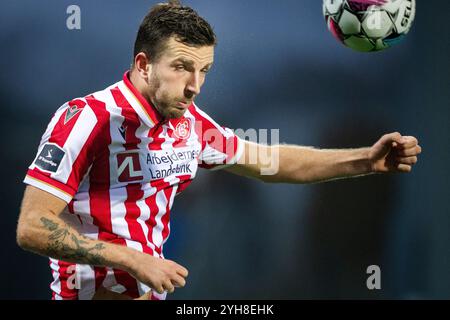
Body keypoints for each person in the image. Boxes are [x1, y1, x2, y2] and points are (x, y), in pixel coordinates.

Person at [16, 1, 422, 300]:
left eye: (204, 70)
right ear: (143, 64)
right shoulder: (86, 119)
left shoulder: (190, 124)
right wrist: (131, 259)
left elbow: (272, 161)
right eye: (181, 67)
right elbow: (32, 226)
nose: (195, 85)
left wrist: (364, 160)